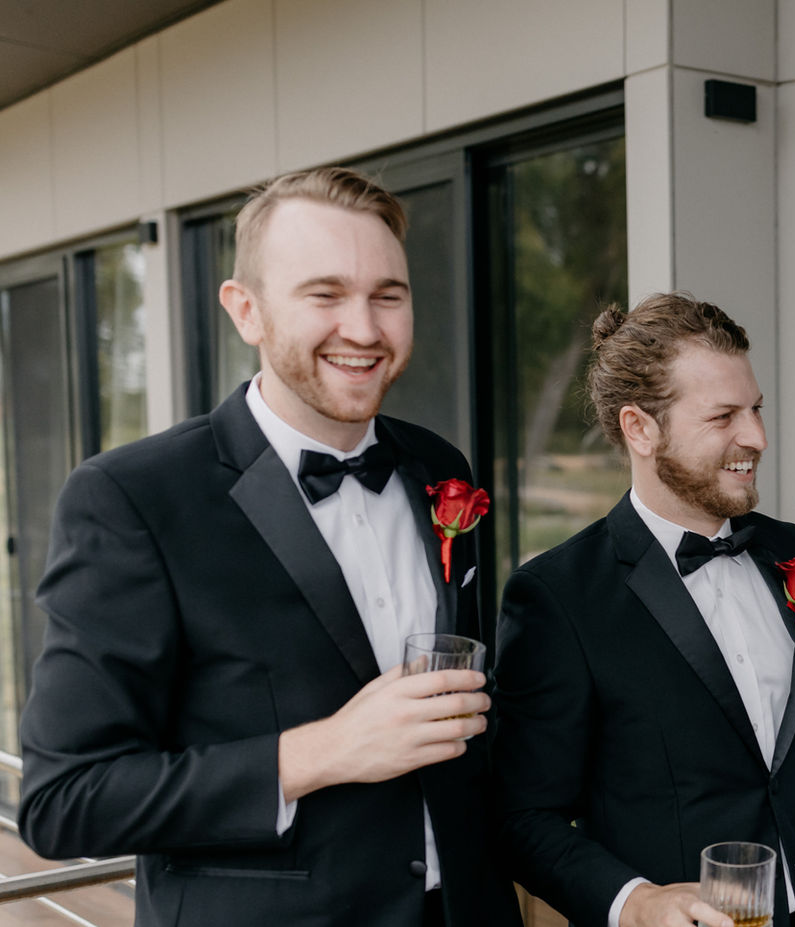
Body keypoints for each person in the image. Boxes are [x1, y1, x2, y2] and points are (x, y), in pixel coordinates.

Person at [18, 167, 520, 927]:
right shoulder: (131, 497)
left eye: (388, 296)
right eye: (325, 295)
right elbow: (64, 802)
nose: (364, 329)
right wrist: (323, 751)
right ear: (245, 310)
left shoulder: (439, 467)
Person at [491, 292, 795, 927]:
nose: (757, 437)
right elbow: (522, 817)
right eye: (723, 417)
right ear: (640, 428)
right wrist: (636, 901)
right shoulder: (556, 596)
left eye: (755, 409)